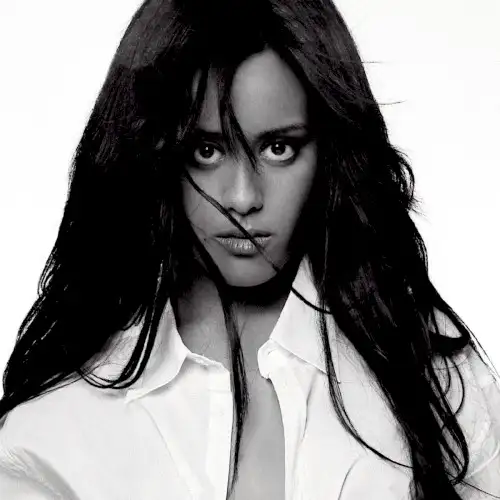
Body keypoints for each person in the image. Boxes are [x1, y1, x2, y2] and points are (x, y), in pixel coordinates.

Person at [0, 0, 499, 498]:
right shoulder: (53, 428)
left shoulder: (428, 368)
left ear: (331, 151)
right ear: (153, 153)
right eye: (207, 151)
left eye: (279, 148)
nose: (243, 198)